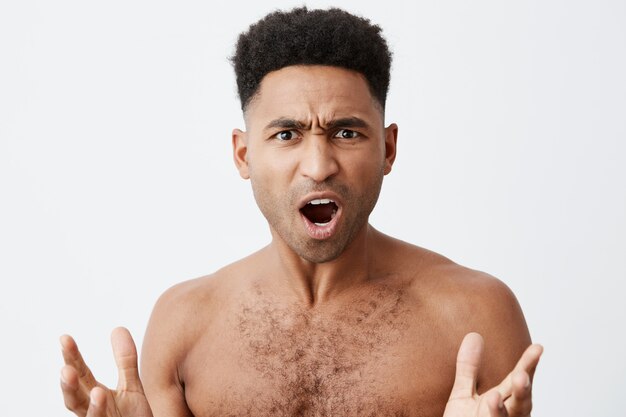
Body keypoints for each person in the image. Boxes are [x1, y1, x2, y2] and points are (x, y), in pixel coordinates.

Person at [59, 7, 542, 417]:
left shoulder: (474, 317)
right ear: (244, 155)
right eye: (286, 134)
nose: (318, 166)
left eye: (347, 132)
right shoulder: (184, 323)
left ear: (388, 149)